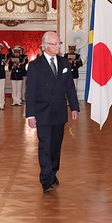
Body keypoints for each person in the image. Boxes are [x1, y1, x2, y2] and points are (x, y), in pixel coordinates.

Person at [25, 31, 80, 193]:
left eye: (59, 43)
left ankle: (53, 171)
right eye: (55, 44)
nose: (58, 46)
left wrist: (74, 107)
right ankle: (45, 178)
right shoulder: (35, 65)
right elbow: (30, 91)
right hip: (42, 113)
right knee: (45, 145)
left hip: (59, 112)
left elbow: (70, 87)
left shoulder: (64, 63)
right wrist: (30, 115)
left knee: (56, 146)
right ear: (45, 46)